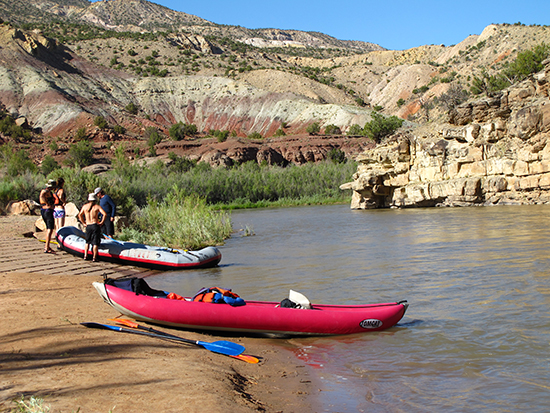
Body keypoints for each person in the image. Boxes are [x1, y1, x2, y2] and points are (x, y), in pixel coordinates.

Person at [77, 193, 106, 262]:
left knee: (87, 241)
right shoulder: (97, 207)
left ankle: (85, 255)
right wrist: (101, 222)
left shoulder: (85, 206)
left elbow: (79, 215)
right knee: (95, 242)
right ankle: (94, 257)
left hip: (88, 225)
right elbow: (104, 214)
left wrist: (83, 223)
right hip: (95, 225)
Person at [39, 179, 57, 254]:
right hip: (47, 211)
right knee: (50, 228)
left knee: (48, 228)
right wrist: (47, 203)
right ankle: (46, 247)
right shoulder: (45, 191)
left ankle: (47, 246)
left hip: (45, 210)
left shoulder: (47, 191)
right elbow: (42, 196)